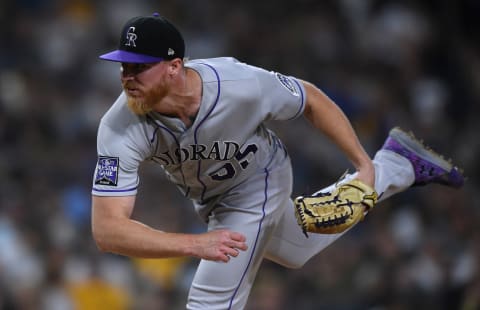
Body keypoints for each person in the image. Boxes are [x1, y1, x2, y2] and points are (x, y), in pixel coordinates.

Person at [91, 13, 464, 310]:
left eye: (138, 67)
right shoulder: (119, 125)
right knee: (295, 249)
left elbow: (311, 99)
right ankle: (396, 166)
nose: (127, 77)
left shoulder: (238, 84)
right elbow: (108, 231)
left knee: (210, 299)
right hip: (213, 200)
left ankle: (380, 168)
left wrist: (360, 164)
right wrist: (192, 244)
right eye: (124, 66)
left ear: (173, 67)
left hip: (260, 178)